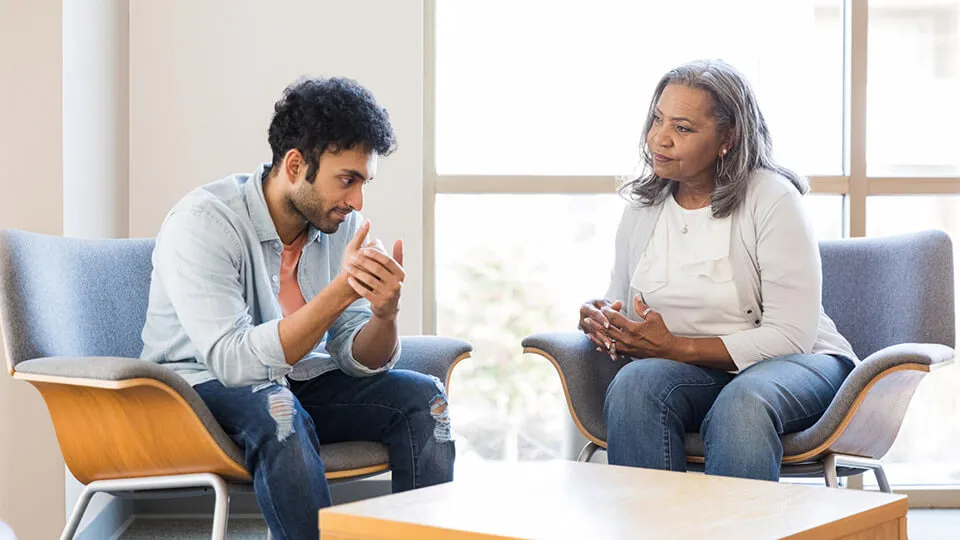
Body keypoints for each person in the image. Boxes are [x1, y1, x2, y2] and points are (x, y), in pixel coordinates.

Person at [140, 77, 454, 539]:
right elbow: (235, 361)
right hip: (193, 392)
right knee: (279, 409)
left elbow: (353, 355)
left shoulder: (342, 226)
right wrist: (341, 292)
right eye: (346, 180)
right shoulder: (203, 222)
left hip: (289, 384)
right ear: (294, 164)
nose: (357, 201)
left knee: (428, 401)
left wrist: (384, 315)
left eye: (363, 182)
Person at [579, 60, 857, 481]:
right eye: (658, 119)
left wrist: (675, 347)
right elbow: (628, 309)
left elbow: (790, 336)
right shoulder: (643, 208)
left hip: (802, 362)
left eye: (683, 128)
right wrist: (605, 321)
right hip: (699, 372)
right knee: (635, 386)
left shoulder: (772, 199)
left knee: (743, 404)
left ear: (728, 138)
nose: (660, 138)